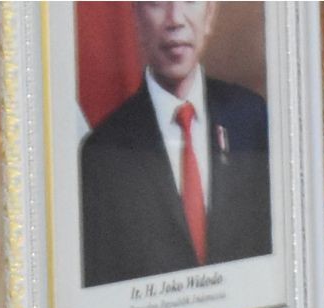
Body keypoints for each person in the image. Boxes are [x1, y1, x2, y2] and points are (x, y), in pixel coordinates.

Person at [78, 0, 271, 287]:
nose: (175, 20)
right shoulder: (101, 154)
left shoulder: (252, 119)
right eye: (157, 3)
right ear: (136, 18)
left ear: (210, 13)